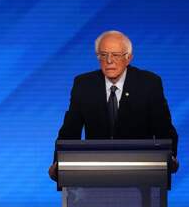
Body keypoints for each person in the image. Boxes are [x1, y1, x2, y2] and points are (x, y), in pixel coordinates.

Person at [49, 30, 179, 180]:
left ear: (128, 58)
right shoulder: (84, 84)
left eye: (115, 55)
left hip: (141, 171)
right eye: (103, 55)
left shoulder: (148, 83)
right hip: (95, 171)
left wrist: (171, 157)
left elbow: (164, 128)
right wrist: (58, 163)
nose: (109, 60)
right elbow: (69, 131)